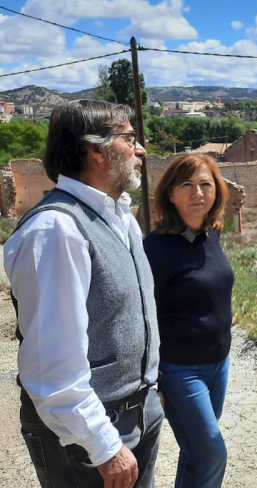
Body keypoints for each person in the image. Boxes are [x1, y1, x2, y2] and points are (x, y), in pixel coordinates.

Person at [5, 100, 162, 488]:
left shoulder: (118, 214)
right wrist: (104, 445)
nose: (141, 149)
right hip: (90, 433)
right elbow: (50, 368)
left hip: (137, 411)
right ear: (96, 150)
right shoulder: (56, 230)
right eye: (130, 138)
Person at [143, 153, 234, 488]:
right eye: (188, 185)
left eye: (205, 184)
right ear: (170, 194)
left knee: (196, 452)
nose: (198, 192)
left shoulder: (213, 235)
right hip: (180, 370)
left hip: (218, 365)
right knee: (211, 452)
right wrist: (155, 380)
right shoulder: (155, 248)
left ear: (216, 191)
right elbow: (143, 316)